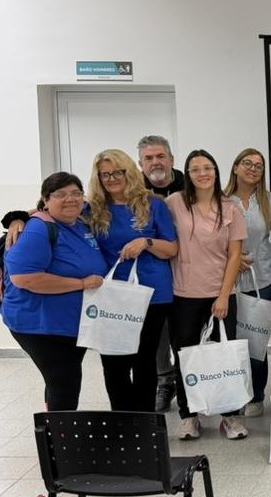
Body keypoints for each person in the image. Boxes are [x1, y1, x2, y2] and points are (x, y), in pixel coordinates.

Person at [2, 172, 107, 410]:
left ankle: (52, 430)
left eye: (76, 193)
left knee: (60, 381)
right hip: (39, 325)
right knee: (65, 383)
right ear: (46, 200)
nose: (70, 199)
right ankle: (60, 433)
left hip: (69, 324)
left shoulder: (78, 222)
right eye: (60, 194)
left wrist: (19, 215)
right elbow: (25, 278)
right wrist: (82, 284)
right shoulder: (38, 229)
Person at [87, 149, 178, 412]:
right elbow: (53, 207)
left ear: (130, 172)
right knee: (113, 363)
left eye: (118, 172)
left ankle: (144, 421)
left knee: (143, 360)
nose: (112, 179)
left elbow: (172, 249)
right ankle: (123, 421)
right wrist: (19, 218)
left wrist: (145, 242)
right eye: (105, 175)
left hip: (151, 294)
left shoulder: (153, 204)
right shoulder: (93, 208)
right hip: (111, 294)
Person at [166, 149, 248, 440]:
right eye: (195, 169)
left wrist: (224, 296)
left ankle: (229, 416)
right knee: (185, 356)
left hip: (220, 293)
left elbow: (235, 255)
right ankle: (189, 416)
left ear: (216, 171)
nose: (202, 173)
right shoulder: (174, 203)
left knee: (224, 357)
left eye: (208, 168)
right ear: (187, 175)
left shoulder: (230, 208)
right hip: (183, 294)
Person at [224, 148, 271, 417]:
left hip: (262, 280)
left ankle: (256, 396)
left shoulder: (268, 200)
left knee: (256, 342)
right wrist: (232, 258)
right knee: (232, 342)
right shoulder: (221, 200)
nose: (253, 169)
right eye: (247, 163)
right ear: (235, 167)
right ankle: (233, 396)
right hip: (227, 281)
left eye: (259, 166)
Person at [137, 135, 184, 413]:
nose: (156, 162)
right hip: (153, 276)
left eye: (160, 156)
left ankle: (189, 382)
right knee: (157, 336)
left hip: (189, 272)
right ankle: (165, 381)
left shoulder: (190, 184)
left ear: (171, 160)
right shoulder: (132, 191)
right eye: (149, 158)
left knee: (185, 334)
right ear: (140, 164)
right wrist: (22, 216)